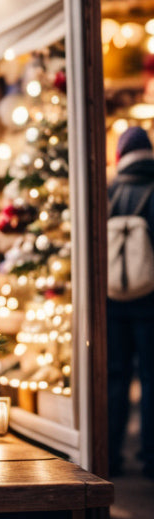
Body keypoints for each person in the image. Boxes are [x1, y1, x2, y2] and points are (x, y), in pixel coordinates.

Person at [107, 125, 154, 478]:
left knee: (115, 376)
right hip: (150, 300)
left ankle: (109, 455)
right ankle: (151, 457)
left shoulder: (108, 189)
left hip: (112, 302)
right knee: (151, 377)